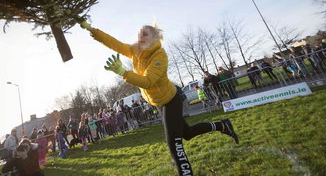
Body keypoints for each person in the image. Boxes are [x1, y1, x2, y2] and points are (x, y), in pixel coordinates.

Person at [79, 21, 239, 176]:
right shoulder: (136, 50)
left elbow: (148, 81)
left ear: (155, 38)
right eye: (138, 34)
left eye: (145, 34)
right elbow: (115, 44)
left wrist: (124, 73)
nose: (140, 37)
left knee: (173, 143)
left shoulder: (159, 55)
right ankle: (222, 125)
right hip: (158, 102)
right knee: (188, 133)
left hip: (171, 100)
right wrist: (92, 30)